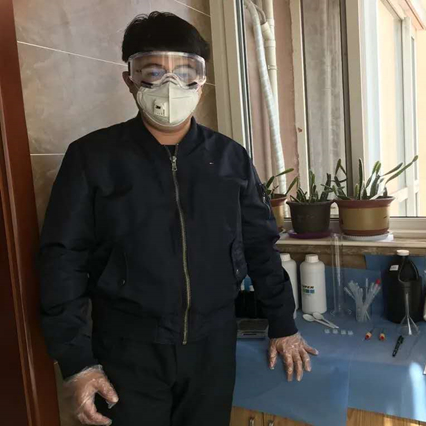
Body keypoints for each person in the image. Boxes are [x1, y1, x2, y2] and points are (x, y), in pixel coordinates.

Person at [39, 12, 317, 426]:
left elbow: (260, 246)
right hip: (127, 348)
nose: (170, 85)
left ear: (201, 82)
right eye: (153, 71)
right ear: (130, 79)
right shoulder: (92, 158)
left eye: (185, 72)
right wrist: (77, 362)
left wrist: (283, 323)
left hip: (213, 346)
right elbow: (62, 260)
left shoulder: (230, 158)